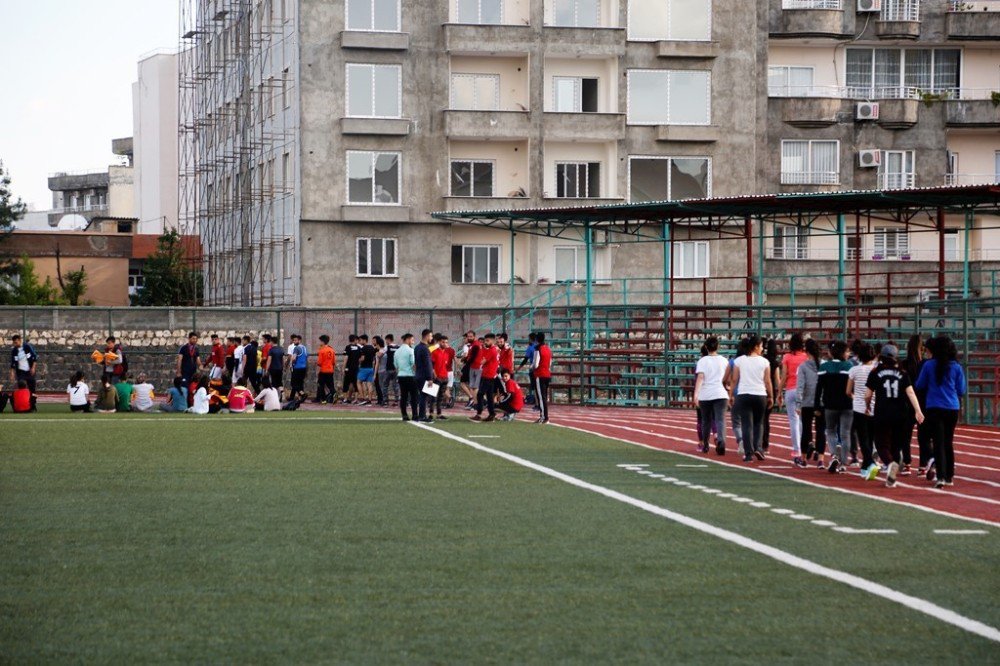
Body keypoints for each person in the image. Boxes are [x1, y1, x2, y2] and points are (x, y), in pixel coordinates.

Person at [865, 344, 925, 488]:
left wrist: (867, 406)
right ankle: (894, 468)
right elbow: (910, 392)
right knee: (896, 445)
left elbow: (867, 394)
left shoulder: (875, 371)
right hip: (900, 413)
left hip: (882, 412)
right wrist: (918, 410)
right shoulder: (902, 372)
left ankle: (889, 463)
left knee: (881, 443)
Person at [915, 335, 966, 489]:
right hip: (952, 407)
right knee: (948, 442)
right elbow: (961, 390)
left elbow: (919, 385)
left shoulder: (929, 365)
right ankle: (950, 476)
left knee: (938, 442)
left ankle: (941, 476)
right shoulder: (956, 367)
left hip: (934, 407)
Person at [728, 335, 773, 463]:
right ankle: (758, 447)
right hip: (760, 394)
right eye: (761, 346)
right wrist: (771, 396)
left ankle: (748, 453)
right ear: (755, 347)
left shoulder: (739, 361)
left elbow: (734, 379)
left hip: (744, 394)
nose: (762, 349)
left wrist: (731, 395)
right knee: (759, 423)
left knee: (746, 425)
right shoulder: (764, 362)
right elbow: (767, 381)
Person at [817, 340, 853, 473]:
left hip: (830, 405)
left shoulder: (824, 367)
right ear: (843, 352)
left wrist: (816, 405)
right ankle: (843, 464)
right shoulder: (849, 366)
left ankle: (834, 455)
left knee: (830, 431)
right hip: (847, 404)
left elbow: (818, 388)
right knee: (845, 434)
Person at [847, 343, 879, 480]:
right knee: (871, 439)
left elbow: (848, 391)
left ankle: (870, 463)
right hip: (874, 407)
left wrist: (856, 398)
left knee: (863, 439)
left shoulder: (854, 370)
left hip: (859, 408)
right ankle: (865, 467)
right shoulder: (877, 370)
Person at [694, 336, 729, 456]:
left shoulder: (702, 361)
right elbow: (728, 378)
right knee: (720, 419)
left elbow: (700, 377)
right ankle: (721, 441)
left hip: (706, 394)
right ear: (717, 346)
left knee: (706, 421)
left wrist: (696, 394)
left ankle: (705, 444)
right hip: (721, 393)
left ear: (706, 347)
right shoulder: (724, 361)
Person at [795, 338, 827, 468]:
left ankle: (803, 459)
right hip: (821, 402)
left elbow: (800, 386)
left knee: (806, 431)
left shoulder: (803, 366)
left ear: (806, 351)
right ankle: (820, 459)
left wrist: (798, 403)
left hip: (807, 402)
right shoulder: (824, 364)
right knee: (821, 430)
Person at [779, 333, 808, 467]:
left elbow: (784, 376)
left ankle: (797, 450)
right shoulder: (806, 357)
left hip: (790, 390)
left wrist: (779, 391)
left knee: (793, 421)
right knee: (802, 421)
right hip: (803, 391)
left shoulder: (787, 357)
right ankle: (802, 448)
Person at [903, 334, 929, 476]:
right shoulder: (925, 364)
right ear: (922, 348)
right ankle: (923, 466)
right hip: (923, 402)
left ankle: (907, 464)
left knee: (905, 436)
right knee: (923, 436)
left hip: (907, 402)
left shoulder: (904, 364)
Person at [471, 333, 500, 422]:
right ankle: (492, 414)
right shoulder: (489, 349)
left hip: (488, 375)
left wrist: (482, 351)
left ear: (493, 341)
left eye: (487, 341)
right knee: (489, 396)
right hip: (487, 375)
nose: (485, 342)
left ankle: (479, 414)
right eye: (485, 340)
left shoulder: (492, 350)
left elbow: (482, 361)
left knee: (480, 394)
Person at [760, 338, 781, 454]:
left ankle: (756, 442)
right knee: (766, 419)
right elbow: (777, 379)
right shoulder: (774, 362)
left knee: (757, 419)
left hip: (759, 389)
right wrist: (778, 394)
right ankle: (765, 444)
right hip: (770, 391)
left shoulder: (760, 360)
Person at [9, 334, 37, 411]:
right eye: (14, 343)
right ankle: (20, 406)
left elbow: (34, 357)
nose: (15, 344)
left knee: (32, 389)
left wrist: (33, 367)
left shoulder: (27, 347)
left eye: (16, 342)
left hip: (29, 371)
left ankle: (33, 406)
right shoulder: (14, 350)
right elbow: (13, 362)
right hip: (20, 373)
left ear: (20, 340)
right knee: (21, 389)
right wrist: (12, 373)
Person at [395, 333, 418, 421]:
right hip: (411, 376)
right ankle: (415, 414)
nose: (413, 342)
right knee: (414, 396)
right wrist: (417, 373)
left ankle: (404, 415)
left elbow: (396, 365)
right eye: (412, 340)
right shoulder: (411, 350)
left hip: (401, 376)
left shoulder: (397, 351)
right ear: (407, 339)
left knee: (403, 396)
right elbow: (413, 364)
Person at [414, 329, 435, 422]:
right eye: (431, 336)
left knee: (423, 395)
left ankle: (421, 415)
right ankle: (422, 416)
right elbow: (428, 364)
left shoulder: (417, 347)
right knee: (424, 395)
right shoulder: (425, 348)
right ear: (426, 336)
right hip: (424, 376)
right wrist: (430, 378)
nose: (432, 338)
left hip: (418, 374)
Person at [532, 332, 552, 424]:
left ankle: (544, 417)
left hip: (540, 374)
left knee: (541, 397)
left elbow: (535, 364)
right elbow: (550, 363)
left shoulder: (538, 349)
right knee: (544, 396)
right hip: (547, 374)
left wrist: (531, 367)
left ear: (537, 340)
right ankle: (544, 416)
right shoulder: (548, 349)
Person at [431, 334, 451, 420]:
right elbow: (431, 365)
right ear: (439, 342)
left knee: (440, 397)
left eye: (446, 342)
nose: (445, 343)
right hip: (436, 377)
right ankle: (431, 413)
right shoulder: (434, 351)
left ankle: (439, 414)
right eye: (443, 342)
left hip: (444, 377)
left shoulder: (447, 353)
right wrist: (434, 375)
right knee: (432, 396)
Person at [461, 330, 482, 409]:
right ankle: (475, 403)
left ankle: (476, 403)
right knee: (472, 386)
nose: (469, 338)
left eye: (471, 336)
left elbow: (472, 357)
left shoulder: (476, 345)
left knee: (475, 387)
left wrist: (465, 364)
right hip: (473, 367)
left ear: (474, 337)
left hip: (476, 367)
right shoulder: (472, 345)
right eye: (468, 336)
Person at [517, 332, 538, 408]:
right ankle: (540, 403)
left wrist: (519, 368)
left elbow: (526, 359)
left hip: (533, 369)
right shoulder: (541, 346)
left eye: (529, 339)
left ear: (531, 339)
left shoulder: (531, 347)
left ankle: (537, 403)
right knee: (539, 387)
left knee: (535, 387)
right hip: (541, 369)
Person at [315, 334, 336, 404]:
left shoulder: (322, 351)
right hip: (330, 370)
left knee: (321, 385)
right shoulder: (332, 350)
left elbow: (319, 363)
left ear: (323, 342)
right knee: (331, 385)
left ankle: (323, 400)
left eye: (320, 341)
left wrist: (317, 372)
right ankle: (334, 396)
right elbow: (333, 362)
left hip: (323, 370)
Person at [288, 334, 309, 400]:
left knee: (293, 383)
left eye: (295, 340)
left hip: (297, 368)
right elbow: (306, 357)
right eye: (293, 340)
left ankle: (302, 394)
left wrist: (293, 363)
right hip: (304, 367)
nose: (294, 342)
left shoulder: (296, 348)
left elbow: (294, 358)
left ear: (299, 340)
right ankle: (300, 397)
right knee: (300, 383)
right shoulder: (304, 348)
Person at [342, 334, 362, 404]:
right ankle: (356, 399)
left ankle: (345, 399)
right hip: (356, 368)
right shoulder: (359, 348)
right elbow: (361, 358)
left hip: (348, 368)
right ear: (355, 340)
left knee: (346, 383)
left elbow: (346, 358)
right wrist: (356, 362)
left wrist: (343, 368)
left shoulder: (348, 347)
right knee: (355, 383)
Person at [382, 334, 399, 406]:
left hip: (388, 369)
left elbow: (380, 354)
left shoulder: (387, 347)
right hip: (396, 369)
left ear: (388, 340)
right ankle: (396, 400)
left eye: (386, 340)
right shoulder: (398, 347)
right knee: (396, 385)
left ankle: (386, 400)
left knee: (385, 384)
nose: (386, 341)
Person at [374, 336, 387, 406]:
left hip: (381, 371)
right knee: (384, 386)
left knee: (381, 386)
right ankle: (384, 400)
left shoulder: (378, 353)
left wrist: (374, 374)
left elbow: (377, 364)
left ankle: (383, 400)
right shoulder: (386, 350)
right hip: (386, 370)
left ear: (378, 344)